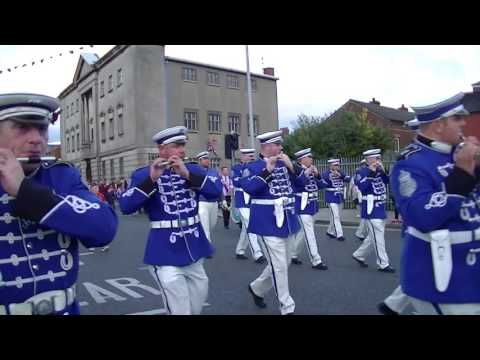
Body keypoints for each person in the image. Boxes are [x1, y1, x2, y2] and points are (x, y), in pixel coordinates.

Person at [0, 93, 118, 315]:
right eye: (22, 128)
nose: (36, 139)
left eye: (42, 129)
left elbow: (104, 228)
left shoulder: (63, 177)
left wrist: (24, 191)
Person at [390, 93, 480, 315]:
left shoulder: (457, 154)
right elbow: (420, 215)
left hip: (472, 269)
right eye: (457, 118)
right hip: (443, 276)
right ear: (439, 124)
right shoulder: (410, 163)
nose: (464, 123)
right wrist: (462, 173)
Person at [119, 126, 221, 315]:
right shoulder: (143, 173)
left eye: (183, 145)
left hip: (194, 246)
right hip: (164, 249)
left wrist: (188, 175)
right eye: (177, 145)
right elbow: (126, 206)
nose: (182, 150)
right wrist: (151, 178)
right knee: (180, 309)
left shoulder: (191, 169)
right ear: (162, 149)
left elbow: (217, 192)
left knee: (197, 303)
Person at [242, 130, 307, 315]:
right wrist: (267, 170)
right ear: (265, 147)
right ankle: (287, 307)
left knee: (282, 264)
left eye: (279, 144)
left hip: (287, 220)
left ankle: (256, 288)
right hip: (267, 222)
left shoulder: (285, 164)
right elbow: (249, 188)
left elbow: (303, 183)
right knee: (279, 267)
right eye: (276, 144)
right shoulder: (254, 166)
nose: (280, 147)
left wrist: (292, 167)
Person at [352, 149, 395, 273]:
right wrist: (371, 173)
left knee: (374, 236)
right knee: (378, 235)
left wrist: (383, 170)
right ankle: (383, 263)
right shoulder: (361, 171)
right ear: (369, 159)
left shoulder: (379, 170)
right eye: (376, 158)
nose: (378, 161)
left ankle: (359, 254)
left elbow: (387, 182)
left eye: (378, 158)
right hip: (370, 207)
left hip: (380, 206)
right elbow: (362, 187)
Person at [290, 148, 328, 270]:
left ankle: (293, 254)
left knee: (302, 232)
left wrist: (317, 175)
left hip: (312, 204)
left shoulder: (312, 170)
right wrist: (306, 173)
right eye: (309, 157)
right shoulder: (295, 169)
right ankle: (316, 260)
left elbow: (322, 185)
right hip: (301, 205)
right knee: (309, 233)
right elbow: (297, 185)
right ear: (302, 159)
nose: (311, 159)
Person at [232, 149, 265, 263]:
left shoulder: (254, 167)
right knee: (250, 224)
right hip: (241, 199)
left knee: (247, 228)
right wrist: (245, 179)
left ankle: (240, 250)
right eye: (248, 156)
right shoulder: (236, 168)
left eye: (251, 156)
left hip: (251, 198)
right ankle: (258, 253)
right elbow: (236, 182)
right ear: (242, 157)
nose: (250, 158)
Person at [321, 159, 350, 241]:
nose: (338, 166)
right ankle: (339, 234)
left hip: (339, 196)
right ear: (330, 165)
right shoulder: (325, 173)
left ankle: (330, 231)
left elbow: (348, 179)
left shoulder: (341, 172)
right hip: (331, 197)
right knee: (336, 216)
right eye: (336, 165)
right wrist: (331, 175)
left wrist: (339, 175)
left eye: (338, 165)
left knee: (335, 216)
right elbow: (322, 182)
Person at [196, 151, 221, 244]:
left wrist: (222, 200)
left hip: (214, 202)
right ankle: (207, 247)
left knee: (212, 225)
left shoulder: (214, 172)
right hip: (202, 202)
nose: (207, 161)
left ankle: (201, 239)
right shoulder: (196, 172)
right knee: (205, 226)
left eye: (208, 159)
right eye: (205, 159)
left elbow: (219, 187)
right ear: (199, 161)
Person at [353, 159, 368, 240]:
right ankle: (360, 232)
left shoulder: (359, 171)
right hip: (363, 194)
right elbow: (357, 183)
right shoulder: (360, 171)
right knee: (365, 215)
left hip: (364, 194)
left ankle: (360, 232)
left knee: (365, 215)